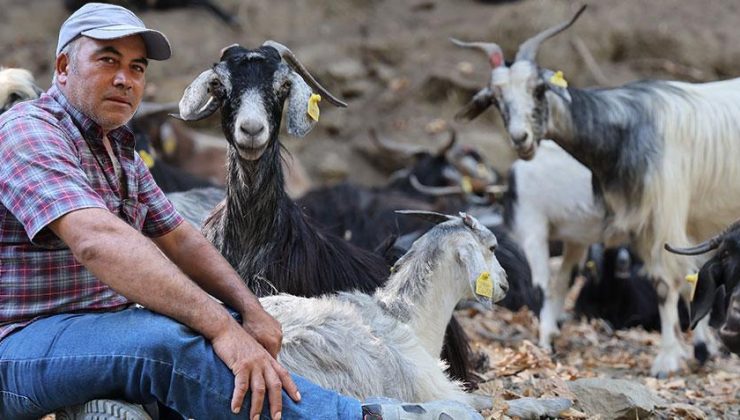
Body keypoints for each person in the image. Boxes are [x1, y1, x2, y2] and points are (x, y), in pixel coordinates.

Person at [0, 3, 482, 420]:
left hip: (86, 330)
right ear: (62, 67)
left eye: (138, 66)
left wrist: (248, 313)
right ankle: (357, 415)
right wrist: (219, 325)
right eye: (108, 60)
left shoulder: (116, 149)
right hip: (17, 346)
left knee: (219, 324)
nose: (126, 78)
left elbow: (180, 238)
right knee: (166, 345)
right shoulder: (29, 132)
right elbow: (96, 240)